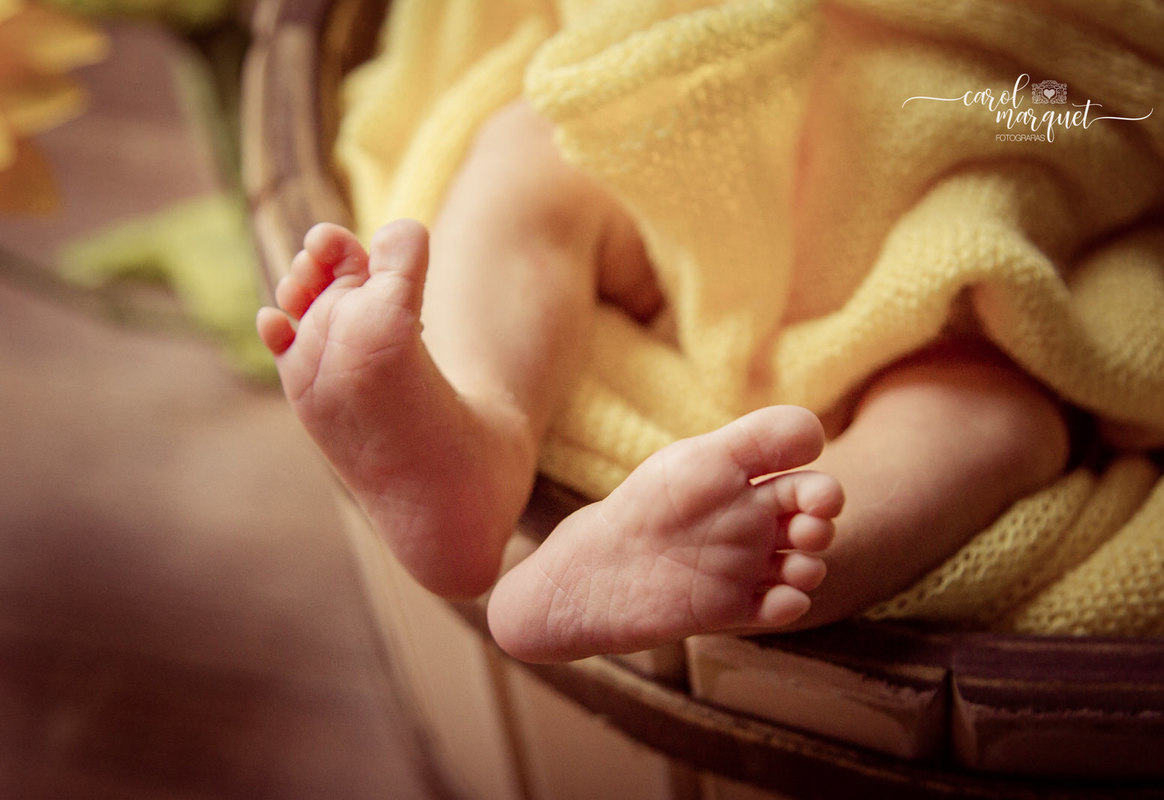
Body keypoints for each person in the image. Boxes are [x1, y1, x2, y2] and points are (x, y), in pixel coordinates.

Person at [256, 99, 1069, 664]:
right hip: (729, 140)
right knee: (545, 141)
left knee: (990, 408)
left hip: (958, 200)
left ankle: (736, 551)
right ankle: (467, 447)